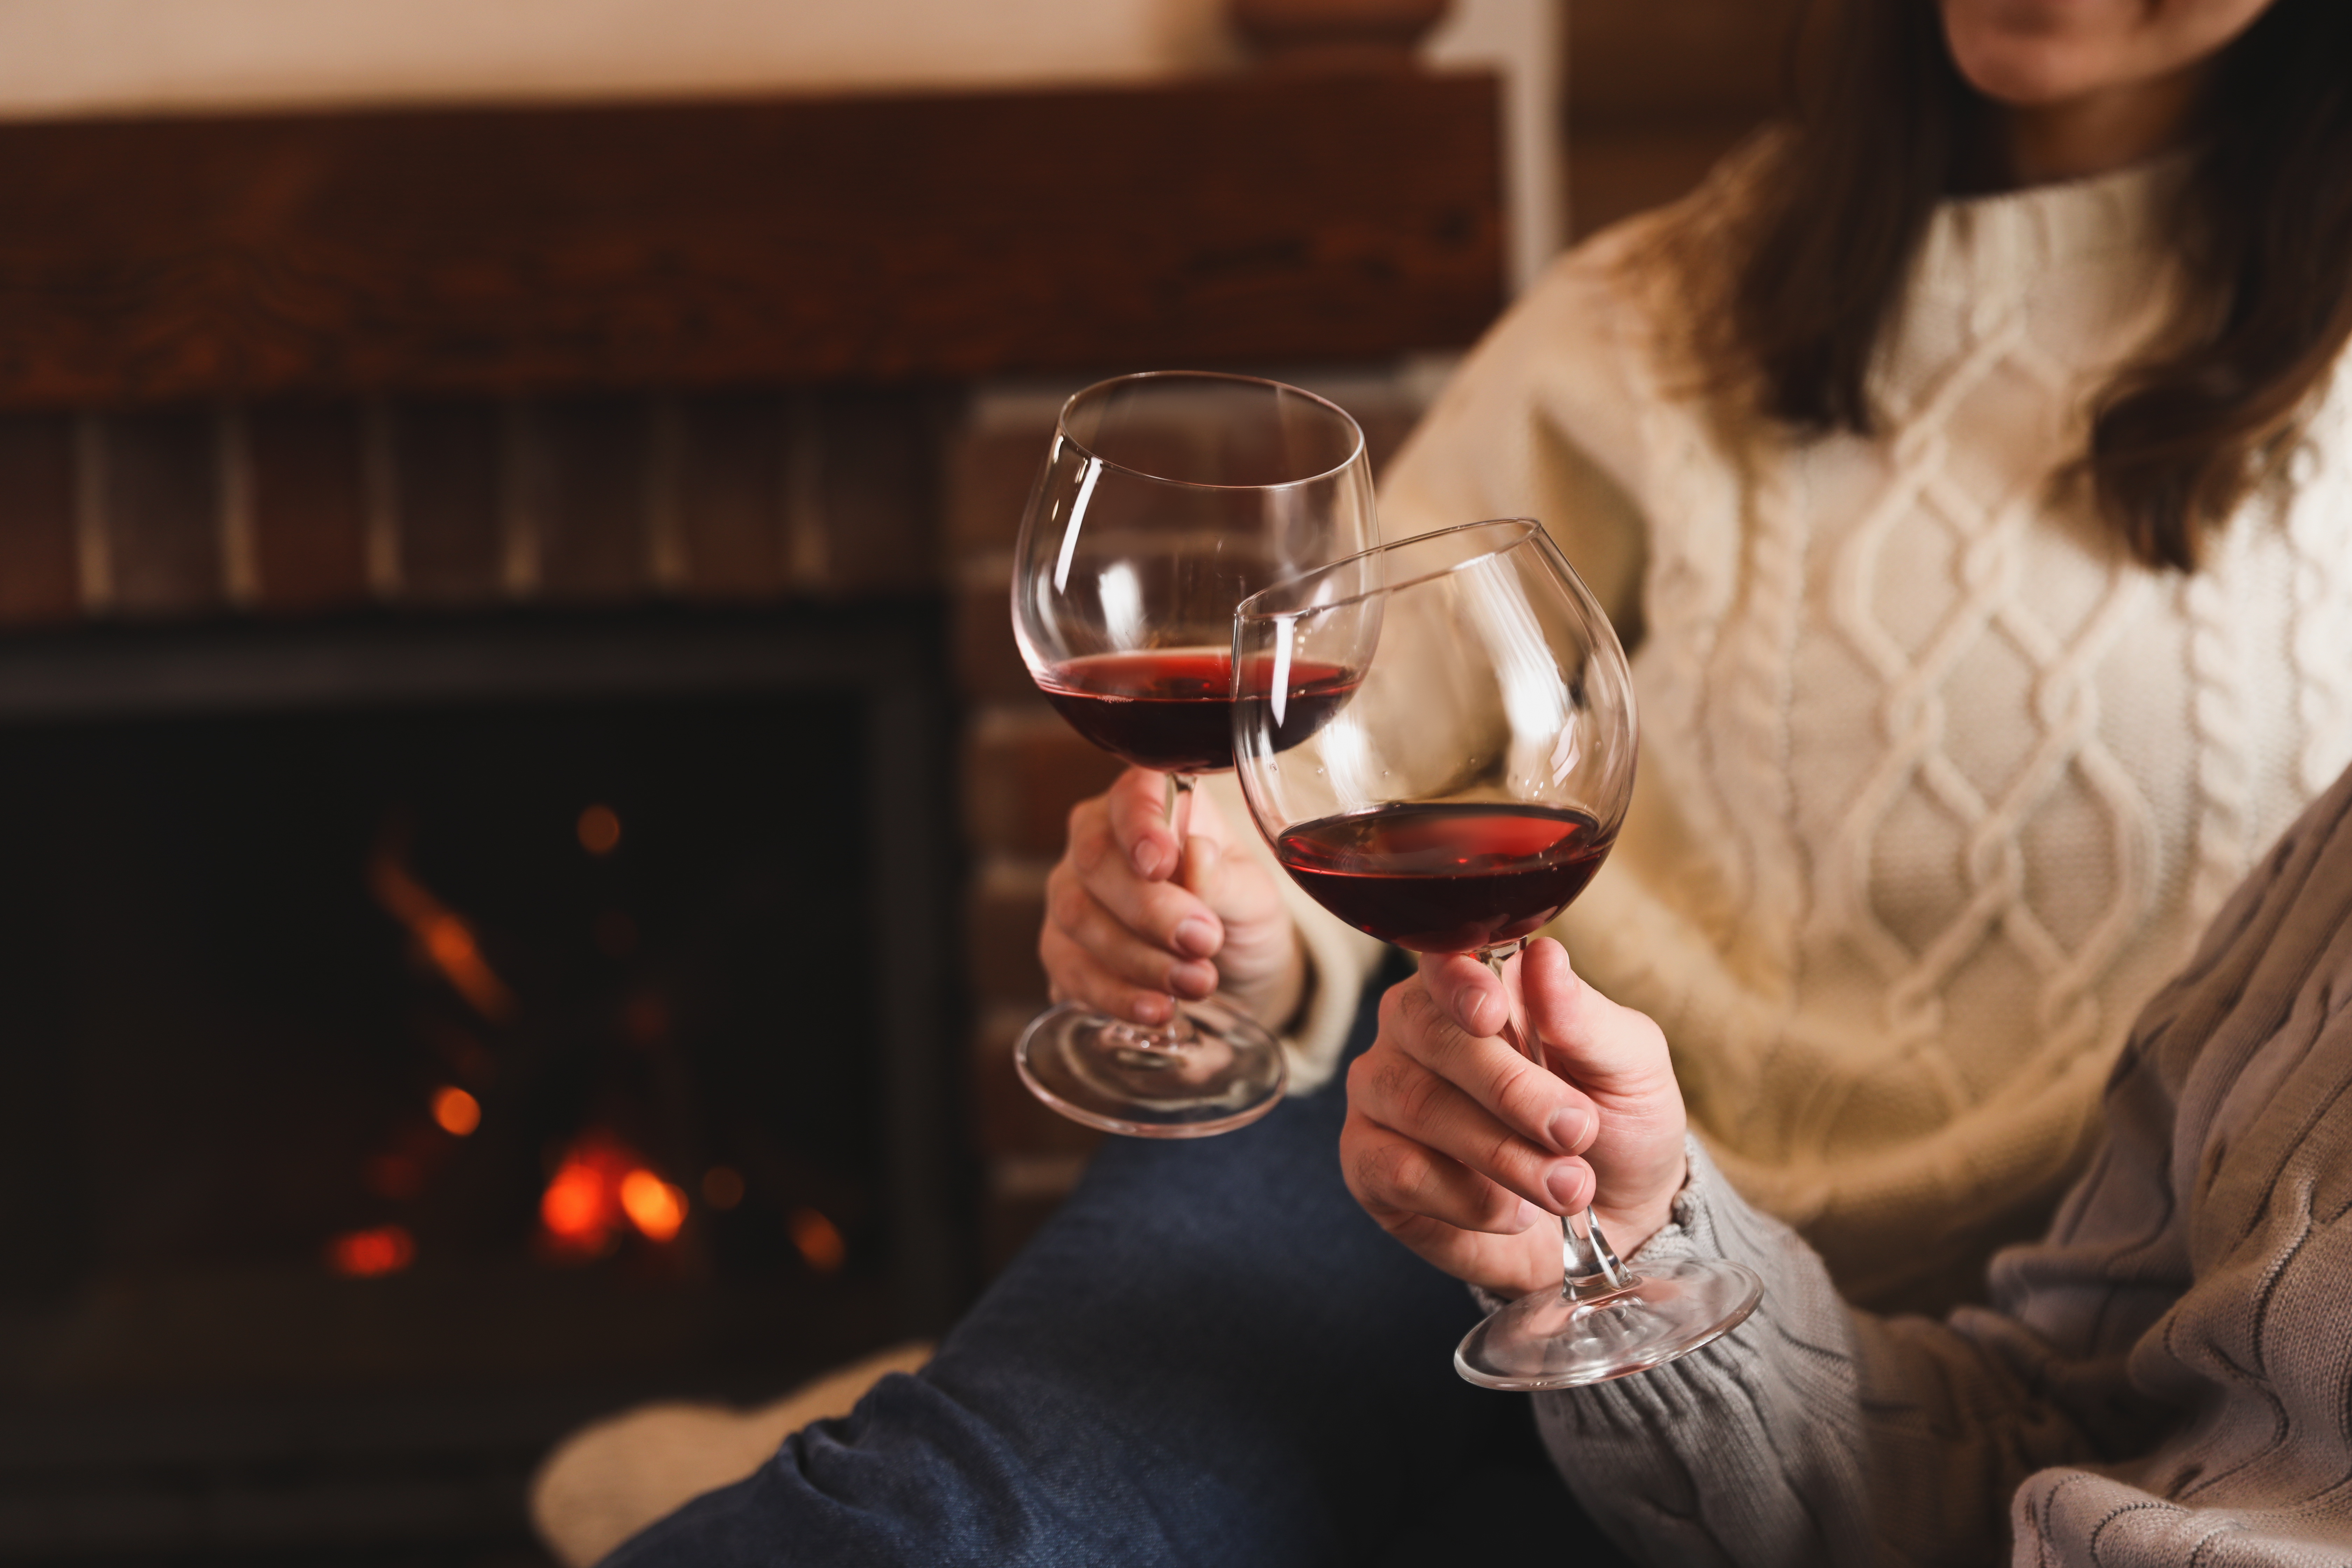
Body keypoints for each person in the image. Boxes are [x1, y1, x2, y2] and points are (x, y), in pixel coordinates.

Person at [564, 0, 2352, 1560]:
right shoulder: (1665, 309)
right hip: (1447, 1120)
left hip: (1962, 1328)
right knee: (975, 1518)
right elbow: (1341, 722)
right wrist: (1248, 939)